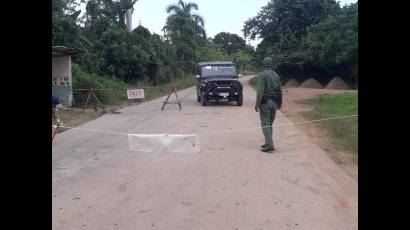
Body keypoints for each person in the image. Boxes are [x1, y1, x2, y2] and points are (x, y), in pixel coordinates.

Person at [254, 57, 283, 153]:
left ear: (264, 64)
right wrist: (279, 103)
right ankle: (268, 142)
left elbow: (260, 91)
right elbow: (280, 91)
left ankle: (270, 145)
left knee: (265, 124)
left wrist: (257, 104)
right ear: (271, 64)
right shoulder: (276, 75)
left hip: (265, 103)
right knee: (269, 123)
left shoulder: (262, 75)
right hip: (274, 102)